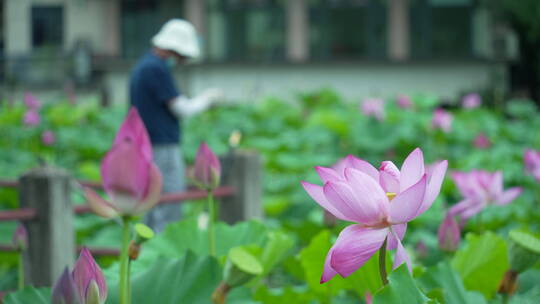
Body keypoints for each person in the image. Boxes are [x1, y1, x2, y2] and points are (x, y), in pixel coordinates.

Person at [129, 19, 222, 233]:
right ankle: (162, 251)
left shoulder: (143, 65)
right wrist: (207, 98)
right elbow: (182, 109)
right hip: (161, 145)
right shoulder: (156, 68)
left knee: (151, 202)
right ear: (174, 50)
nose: (182, 61)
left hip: (145, 144)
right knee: (169, 201)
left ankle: (147, 251)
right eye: (182, 57)